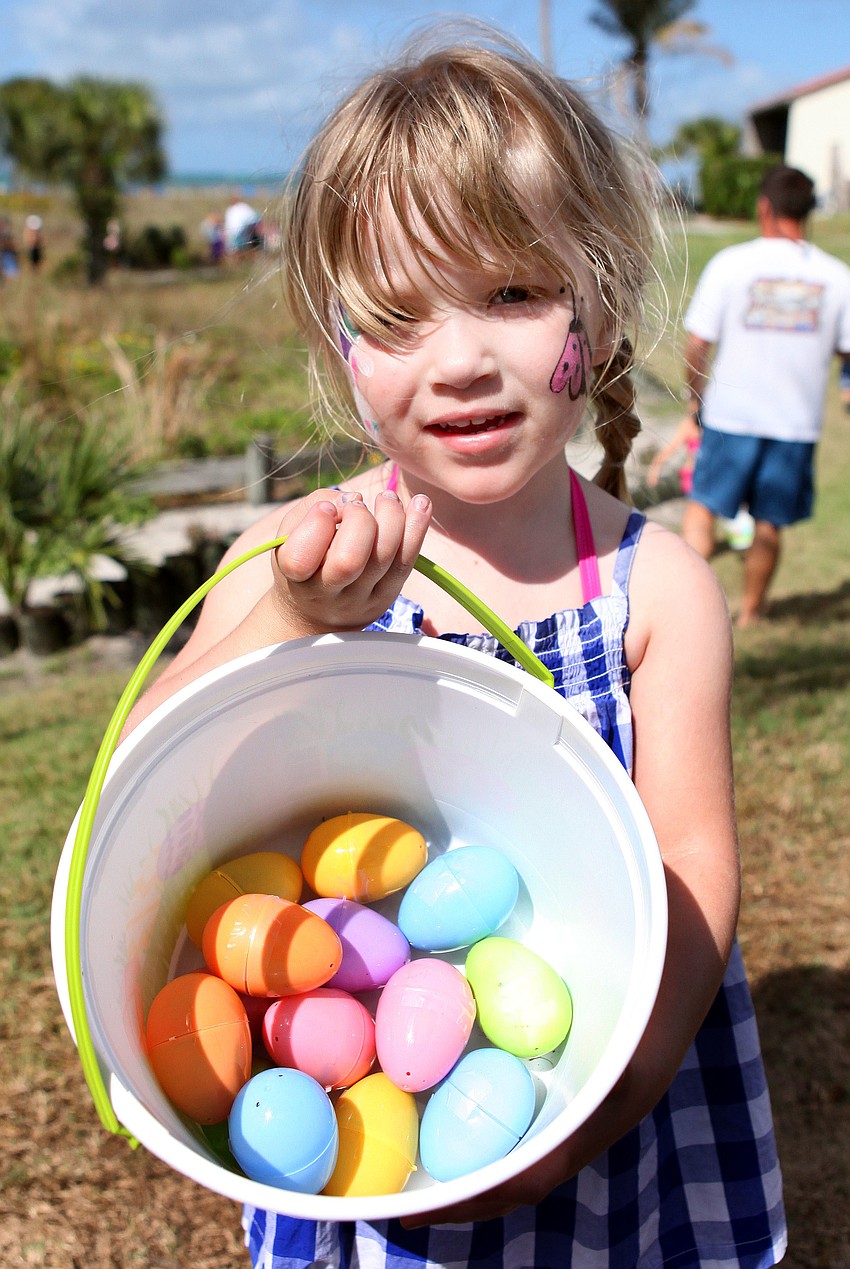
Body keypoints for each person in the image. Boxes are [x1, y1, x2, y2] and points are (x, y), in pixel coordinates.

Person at [126, 31, 786, 1269]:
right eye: (396, 314)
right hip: (349, 1105)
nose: (462, 358)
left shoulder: (655, 591)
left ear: (598, 303)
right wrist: (283, 619)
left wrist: (599, 1108)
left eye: (514, 293)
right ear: (339, 344)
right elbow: (139, 782)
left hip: (584, 1124)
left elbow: (692, 867)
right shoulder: (287, 555)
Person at [681, 165, 850, 626]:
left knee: (704, 508)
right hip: (795, 423)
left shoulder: (732, 264)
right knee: (769, 523)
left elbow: (698, 342)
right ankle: (752, 613)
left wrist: (694, 398)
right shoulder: (837, 277)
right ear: (808, 212)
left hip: (731, 415)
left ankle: (693, 612)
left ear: (764, 207)